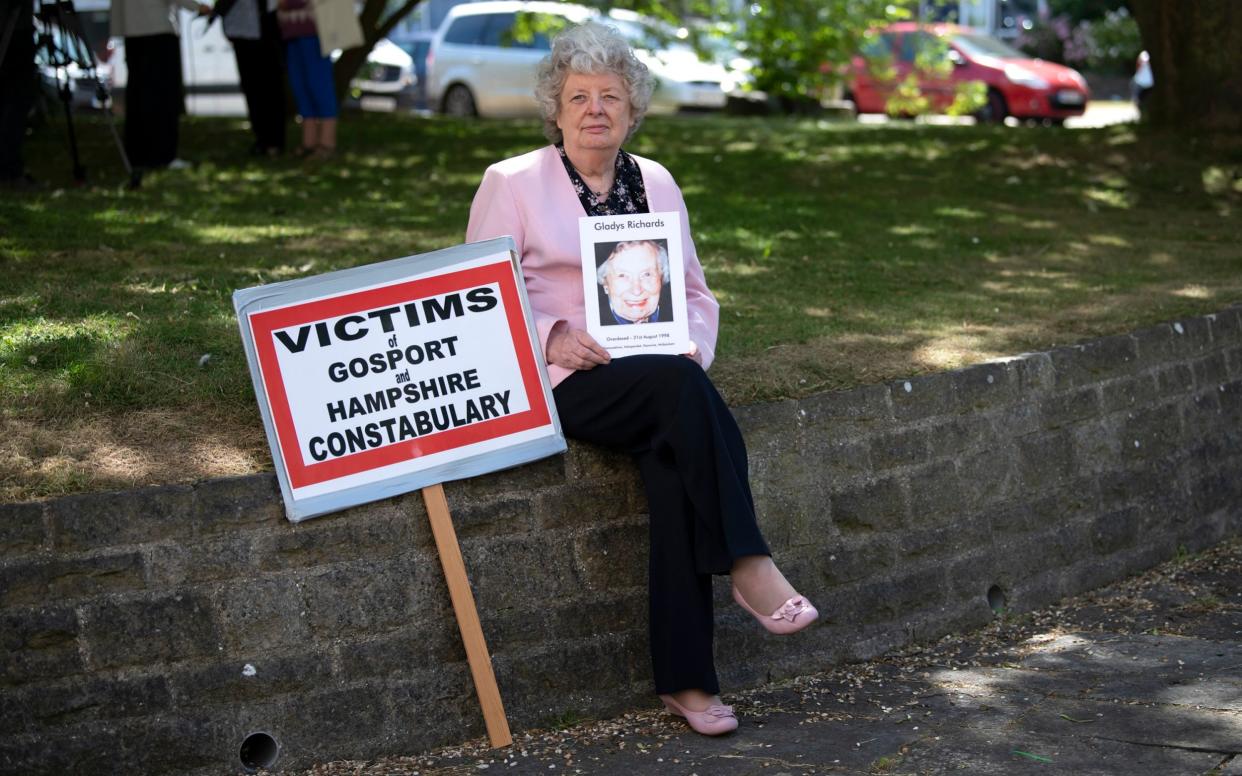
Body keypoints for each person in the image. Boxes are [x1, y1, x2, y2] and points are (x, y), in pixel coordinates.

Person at [466, 21, 818, 737]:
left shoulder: (654, 181)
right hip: (567, 380)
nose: (596, 110)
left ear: (633, 110)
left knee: (674, 457)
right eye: (579, 97)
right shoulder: (512, 183)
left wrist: (693, 347)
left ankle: (687, 683)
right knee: (678, 399)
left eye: (612, 97)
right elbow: (479, 297)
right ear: (555, 109)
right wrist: (552, 336)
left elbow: (694, 293)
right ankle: (749, 564)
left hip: (658, 382)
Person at [110, 0, 211, 173]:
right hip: (157, 28)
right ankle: (163, 155)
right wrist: (197, 7)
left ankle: (137, 155)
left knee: (138, 95)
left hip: (132, 30)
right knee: (162, 96)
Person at [277, 0, 354, 160]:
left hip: (316, 29)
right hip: (291, 30)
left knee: (319, 85)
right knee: (300, 86)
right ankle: (309, 142)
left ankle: (327, 143)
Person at [215, 0, 287, 156]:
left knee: (272, 86)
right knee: (252, 87)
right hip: (243, 31)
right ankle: (261, 139)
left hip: (268, 28)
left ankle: (275, 141)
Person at [596, 239, 672, 326]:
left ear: (661, 278)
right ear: (606, 284)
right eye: (622, 275)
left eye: (646, 274)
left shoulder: (681, 316)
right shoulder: (589, 324)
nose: (636, 291)